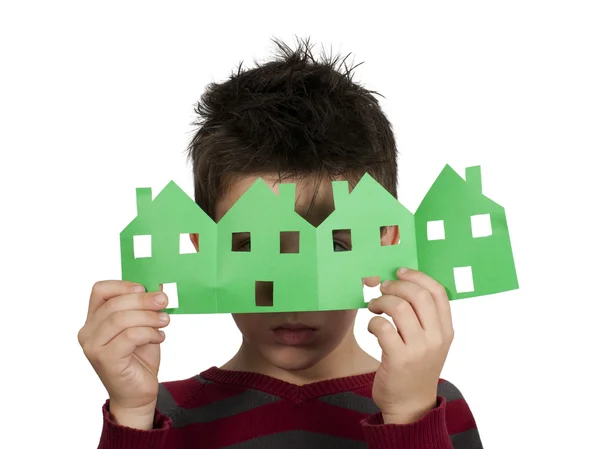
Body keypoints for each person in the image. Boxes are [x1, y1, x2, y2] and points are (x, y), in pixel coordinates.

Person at [78, 39, 483, 449]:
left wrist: (409, 418)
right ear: (202, 248)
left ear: (386, 242)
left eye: (335, 246)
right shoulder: (156, 413)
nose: (292, 300)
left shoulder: (436, 407)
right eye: (253, 247)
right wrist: (130, 416)